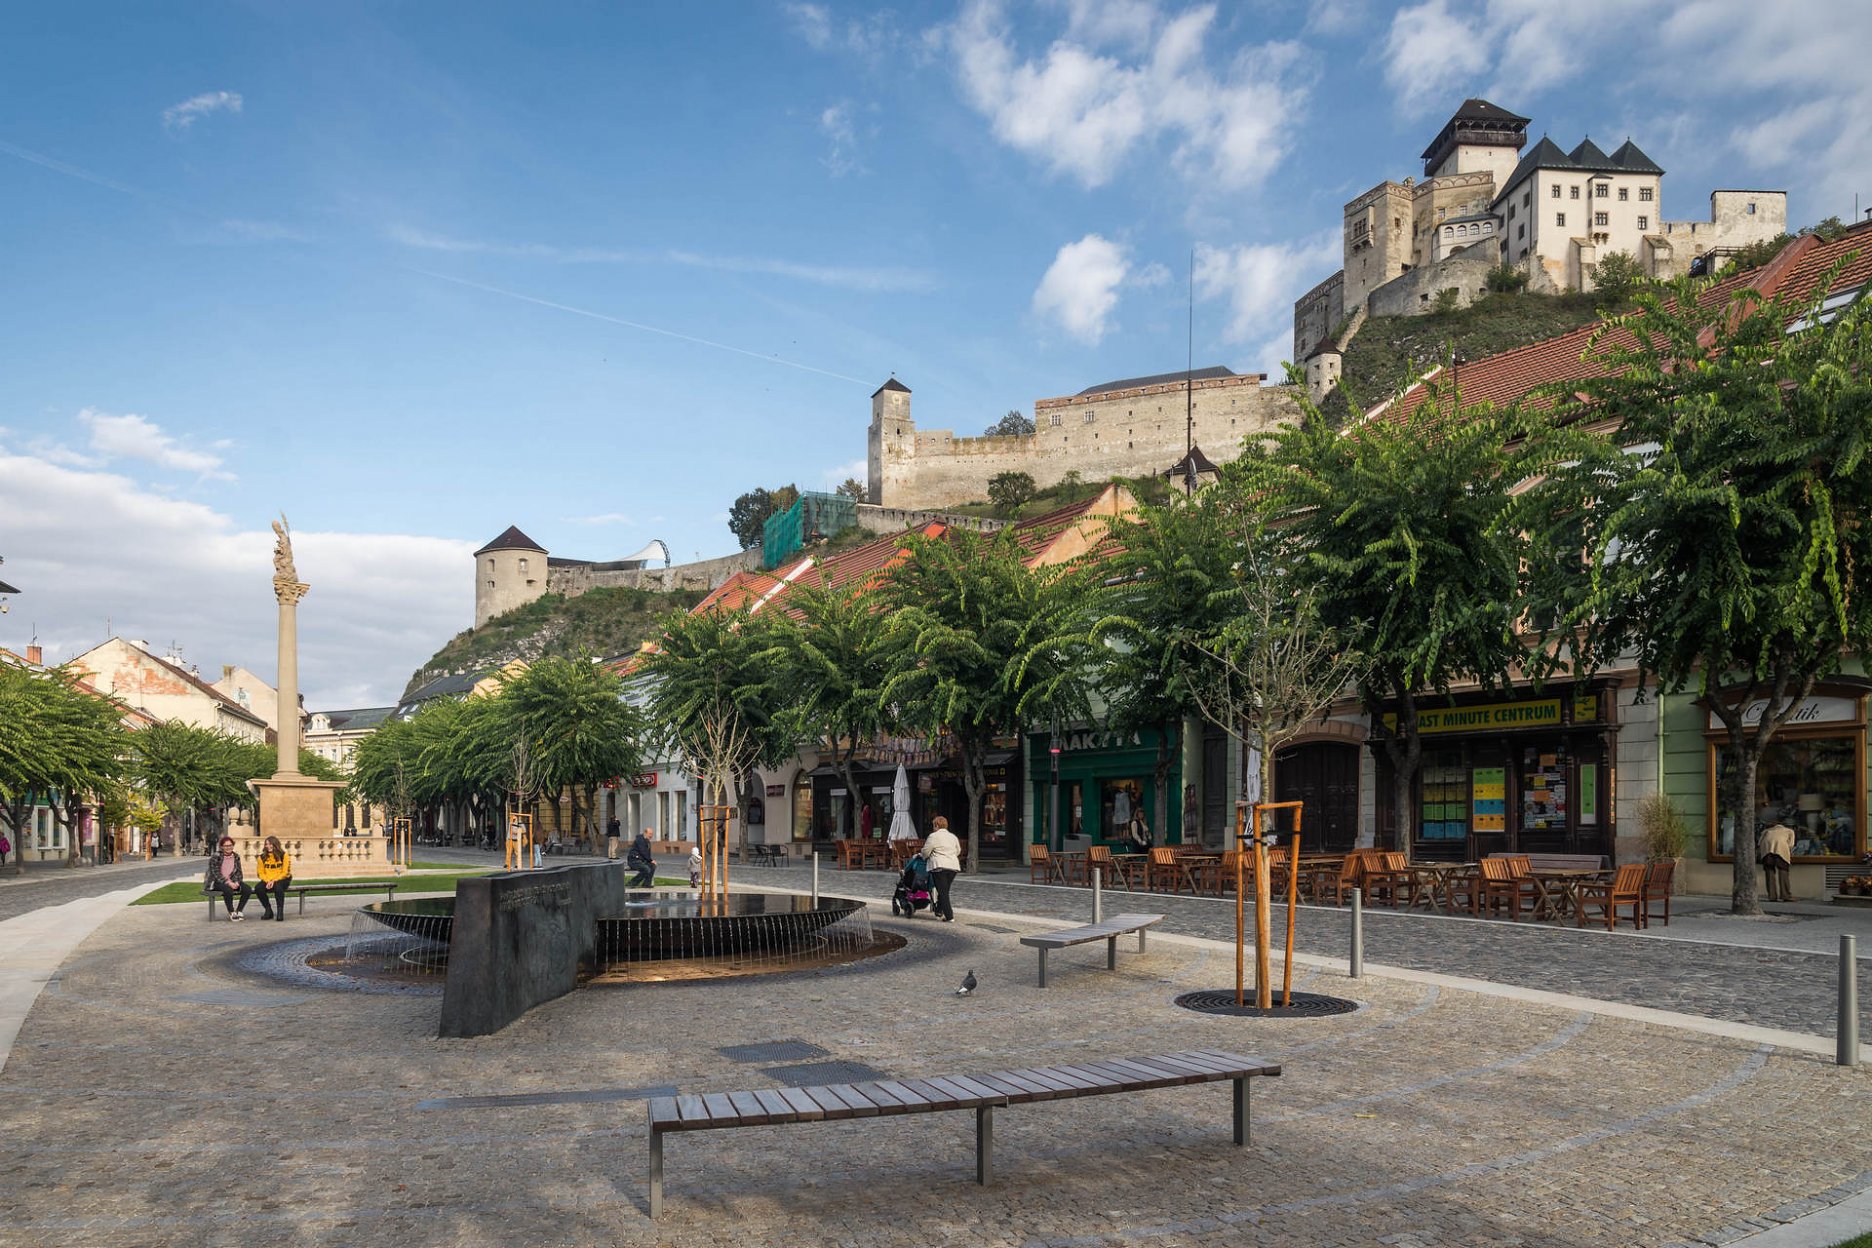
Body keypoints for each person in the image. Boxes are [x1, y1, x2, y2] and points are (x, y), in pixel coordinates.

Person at [923, 815, 962, 923]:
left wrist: (924, 856)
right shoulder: (953, 837)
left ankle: (949, 916)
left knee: (943, 892)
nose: (933, 828)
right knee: (944, 890)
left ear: (936, 825)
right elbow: (958, 850)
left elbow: (926, 851)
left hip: (939, 866)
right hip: (953, 866)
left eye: (933, 825)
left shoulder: (933, 836)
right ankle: (939, 911)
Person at [206, 835, 252, 921]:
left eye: (230, 845)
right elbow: (216, 873)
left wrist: (237, 882)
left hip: (232, 880)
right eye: (226, 846)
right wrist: (229, 883)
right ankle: (231, 912)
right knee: (228, 890)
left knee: (247, 889)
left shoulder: (236, 856)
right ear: (222, 847)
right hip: (218, 882)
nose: (228, 847)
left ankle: (239, 911)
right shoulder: (216, 856)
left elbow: (239, 872)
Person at [252, 836, 293, 921]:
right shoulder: (261, 858)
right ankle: (268, 910)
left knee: (278, 887)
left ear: (275, 844)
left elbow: (285, 872)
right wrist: (268, 881)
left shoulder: (284, 855)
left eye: (270, 844)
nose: (268, 846)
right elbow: (260, 873)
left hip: (282, 878)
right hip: (268, 879)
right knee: (258, 888)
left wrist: (273, 880)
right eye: (266, 844)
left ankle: (280, 911)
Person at [1760, 821, 1795, 902]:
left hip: (1766, 851)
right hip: (1781, 850)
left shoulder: (1766, 831)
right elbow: (1791, 844)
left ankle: (1772, 896)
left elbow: (1760, 842)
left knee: (1769, 873)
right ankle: (1785, 895)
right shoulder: (1790, 831)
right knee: (1783, 872)